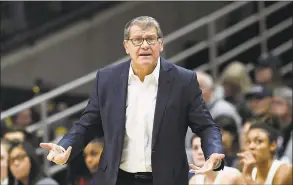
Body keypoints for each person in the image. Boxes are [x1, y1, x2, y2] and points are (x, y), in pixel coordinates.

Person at [40, 16, 225, 185]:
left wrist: (213, 152)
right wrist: (64, 146)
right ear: (126, 46)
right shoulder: (107, 79)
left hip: (165, 179)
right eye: (137, 40)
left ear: (160, 44)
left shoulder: (183, 81)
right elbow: (87, 124)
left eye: (150, 39)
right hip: (117, 178)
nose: (144, 45)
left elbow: (207, 126)